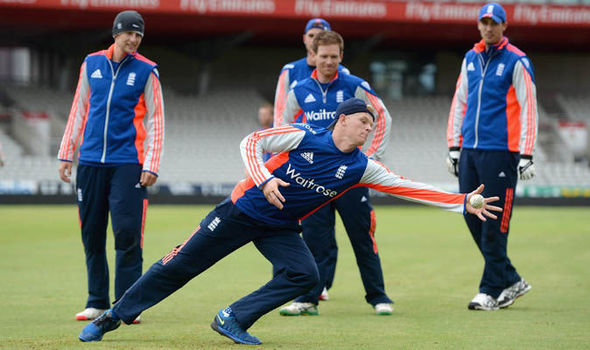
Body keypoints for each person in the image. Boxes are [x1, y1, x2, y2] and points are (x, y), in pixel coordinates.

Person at [78, 97, 501, 345]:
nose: (368, 130)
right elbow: (250, 142)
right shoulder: (304, 136)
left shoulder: (360, 167)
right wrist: (263, 181)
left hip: (280, 227)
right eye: (363, 122)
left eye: (372, 126)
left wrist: (463, 201)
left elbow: (407, 186)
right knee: (180, 266)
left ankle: (232, 318)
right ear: (342, 120)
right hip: (241, 210)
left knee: (304, 276)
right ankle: (112, 316)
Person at [57, 10, 165, 322]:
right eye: (129, 33)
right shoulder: (91, 64)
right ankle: (97, 301)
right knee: (91, 234)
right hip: (89, 162)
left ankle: (127, 306)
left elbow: (156, 121)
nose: (133, 40)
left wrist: (151, 162)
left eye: (139, 35)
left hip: (128, 163)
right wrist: (67, 154)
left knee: (127, 233)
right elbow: (79, 108)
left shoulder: (148, 71)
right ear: (115, 33)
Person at [278, 30, 394, 316]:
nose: (328, 61)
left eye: (334, 56)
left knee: (362, 237)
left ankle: (378, 297)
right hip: (314, 180)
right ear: (313, 56)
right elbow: (283, 130)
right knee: (316, 240)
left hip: (351, 179)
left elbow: (383, 116)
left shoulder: (355, 85)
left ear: (341, 56)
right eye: (323, 56)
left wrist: (371, 156)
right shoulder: (299, 90)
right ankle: (308, 298)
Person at [446, 2, 537, 311]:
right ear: (478, 26)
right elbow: (459, 102)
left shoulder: (517, 61)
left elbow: (529, 108)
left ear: (504, 26)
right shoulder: (470, 58)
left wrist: (526, 153)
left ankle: (489, 290)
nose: (488, 27)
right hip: (470, 150)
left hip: (502, 151)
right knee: (472, 213)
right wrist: (453, 146)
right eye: (483, 22)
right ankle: (511, 279)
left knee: (494, 221)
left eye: (493, 23)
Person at [273, 18, 348, 301]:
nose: (326, 57)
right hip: (300, 163)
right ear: (307, 41)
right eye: (313, 36)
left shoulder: (343, 75)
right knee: (290, 223)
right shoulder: (290, 72)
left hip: (333, 164)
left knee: (325, 230)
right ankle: (287, 280)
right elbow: (283, 113)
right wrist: (278, 154)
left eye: (331, 52)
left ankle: (321, 284)